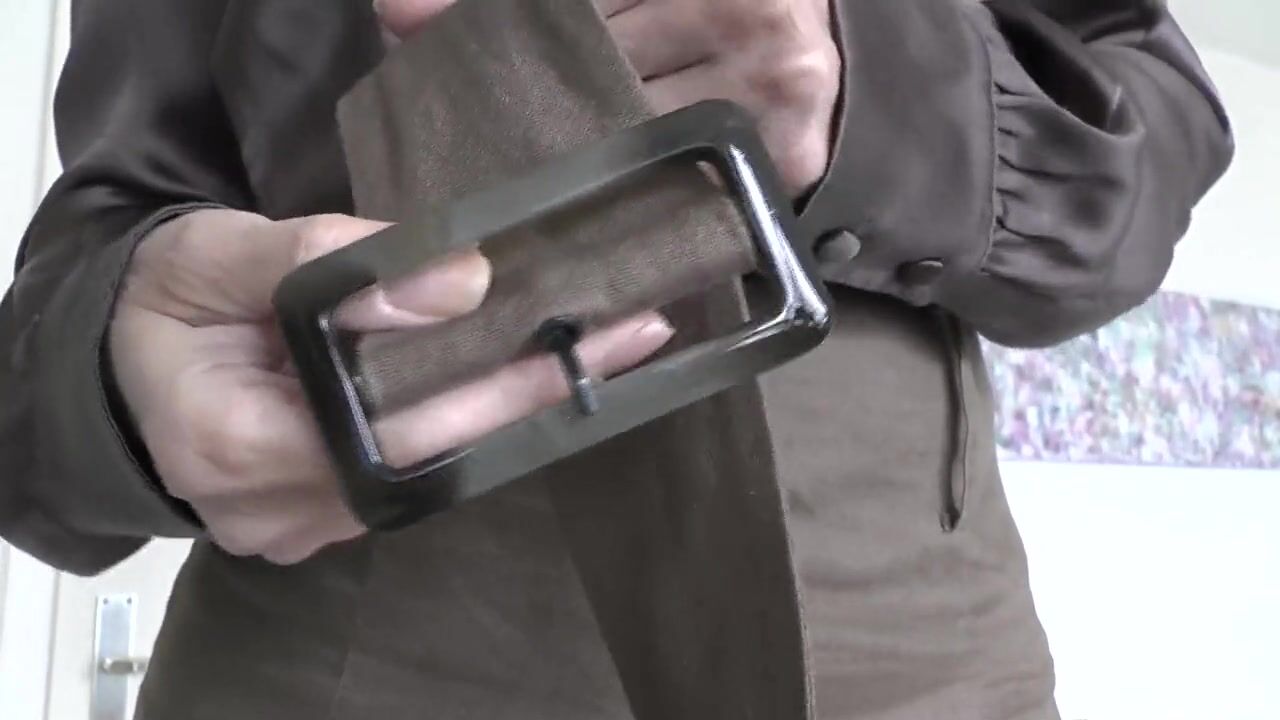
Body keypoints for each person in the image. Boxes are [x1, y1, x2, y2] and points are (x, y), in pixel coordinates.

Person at [0, 0, 1232, 718]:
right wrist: (116, 378)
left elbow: (1151, 134)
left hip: (929, 663)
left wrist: (888, 96)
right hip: (339, 664)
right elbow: (77, 292)